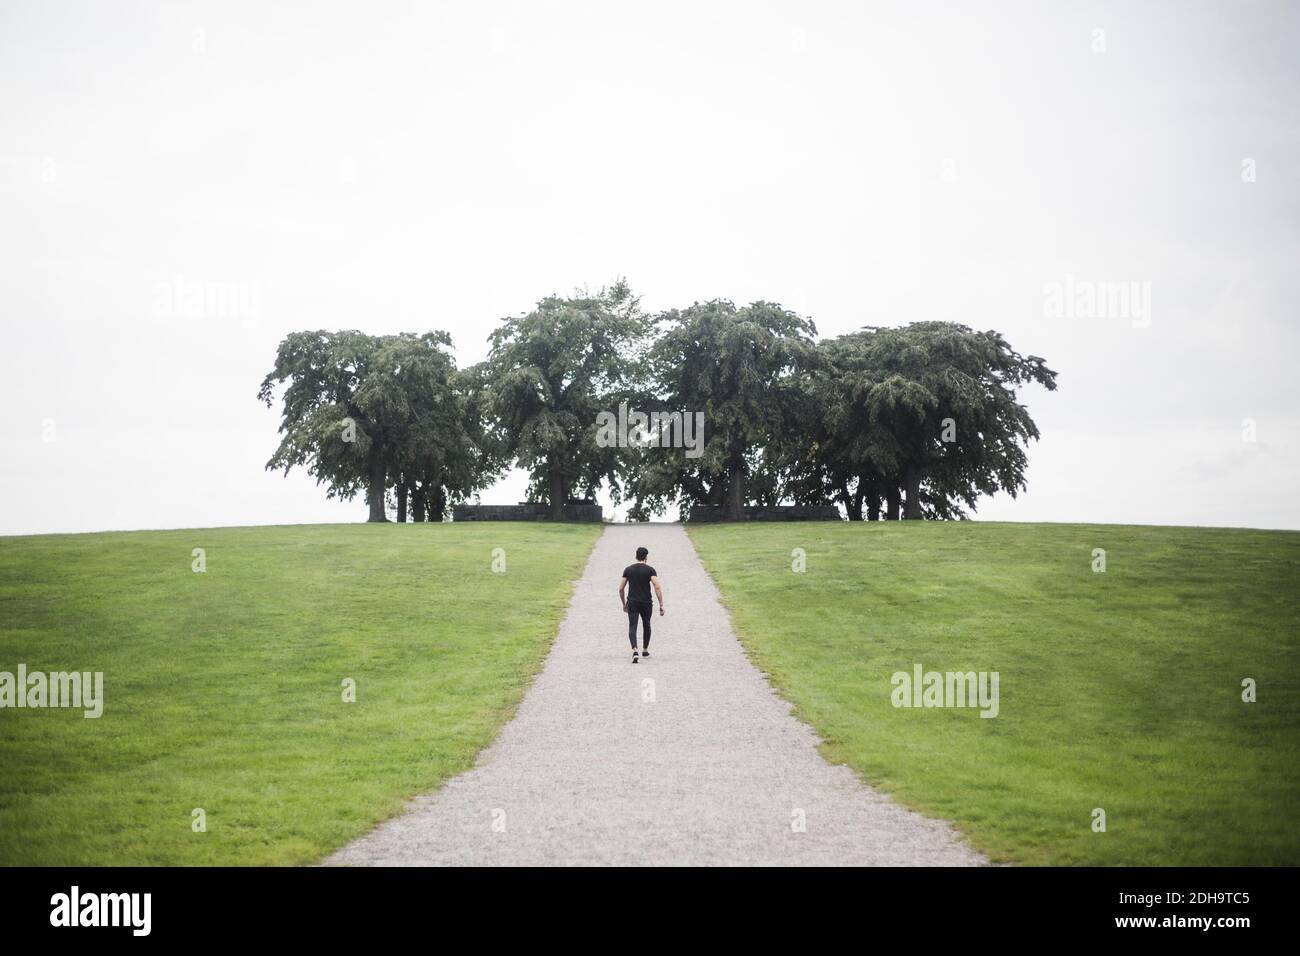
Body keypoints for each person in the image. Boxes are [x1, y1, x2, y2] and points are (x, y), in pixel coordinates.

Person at [619, 546, 664, 663]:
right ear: (646, 557)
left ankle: (635, 650)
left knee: (632, 626)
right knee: (646, 624)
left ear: (636, 556)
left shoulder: (628, 570)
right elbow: (657, 586)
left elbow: (621, 588)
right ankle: (645, 649)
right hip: (646, 602)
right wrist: (661, 604)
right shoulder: (650, 570)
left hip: (632, 602)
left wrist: (624, 603)